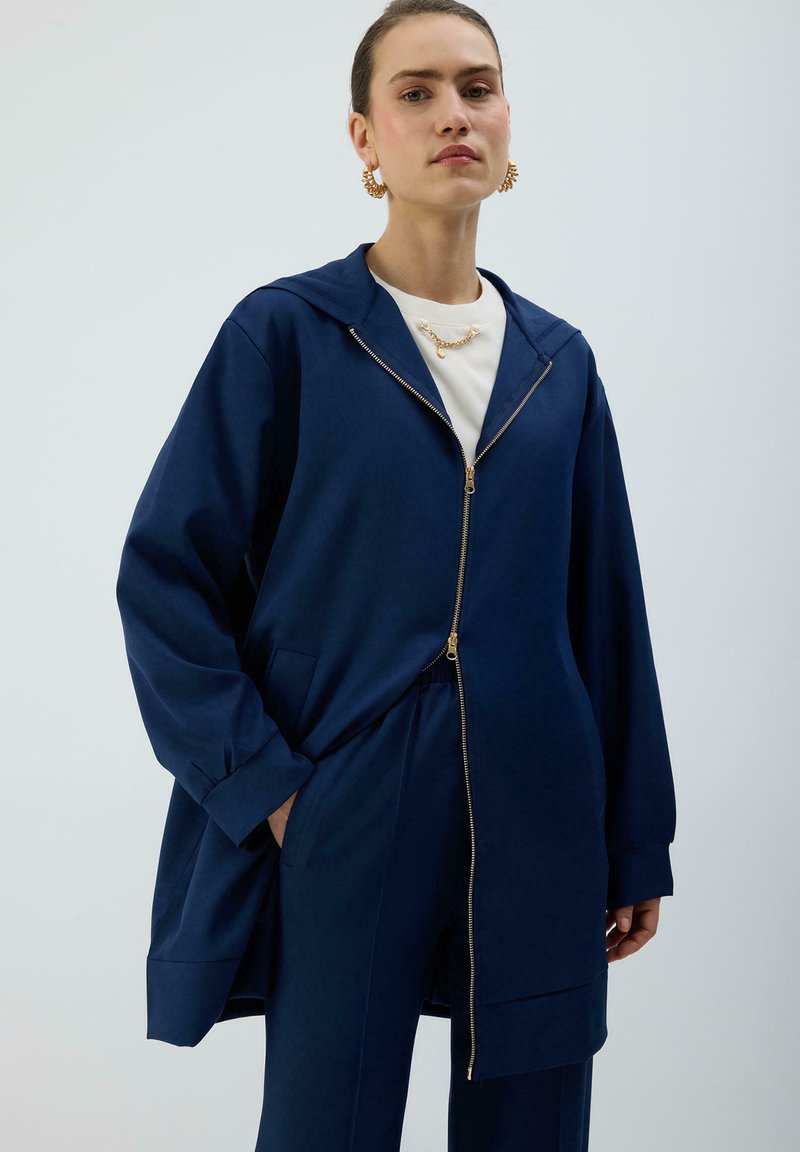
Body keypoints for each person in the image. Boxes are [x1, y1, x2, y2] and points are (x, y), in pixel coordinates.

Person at [115, 2, 678, 1149]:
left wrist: (632, 839)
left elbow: (605, 614)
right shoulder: (285, 334)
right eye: (415, 93)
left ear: (507, 122)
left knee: (531, 1122)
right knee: (326, 1123)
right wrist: (269, 789)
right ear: (364, 139)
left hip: (540, 800)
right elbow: (164, 580)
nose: (451, 114)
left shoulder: (557, 364)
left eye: (476, 87)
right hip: (346, 797)